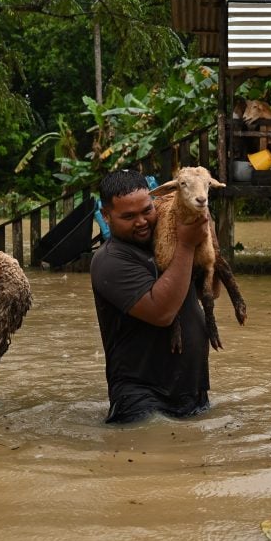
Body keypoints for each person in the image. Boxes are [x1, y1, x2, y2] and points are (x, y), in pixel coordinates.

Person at [90, 169, 216, 424]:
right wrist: (187, 245)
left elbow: (212, 293)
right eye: (129, 216)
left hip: (190, 389)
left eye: (147, 210)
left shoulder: (165, 241)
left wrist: (207, 241)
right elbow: (162, 313)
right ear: (106, 216)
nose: (142, 222)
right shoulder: (110, 260)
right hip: (142, 396)